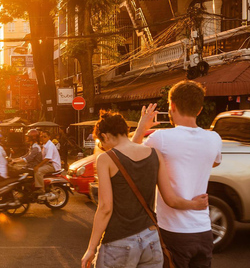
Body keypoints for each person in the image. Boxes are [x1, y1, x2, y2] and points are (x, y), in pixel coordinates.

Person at [81, 111, 209, 268]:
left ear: (105, 136)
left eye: (101, 143)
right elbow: (171, 199)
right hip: (151, 241)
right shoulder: (155, 154)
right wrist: (195, 205)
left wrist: (91, 248)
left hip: (118, 242)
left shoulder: (106, 159)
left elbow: (105, 208)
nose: (103, 147)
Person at [131, 80, 222, 268]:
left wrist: (142, 127)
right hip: (204, 231)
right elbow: (213, 162)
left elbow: (130, 157)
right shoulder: (214, 138)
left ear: (171, 106)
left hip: (173, 232)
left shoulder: (161, 138)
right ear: (199, 110)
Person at [34, 130, 61, 194]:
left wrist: (38, 166)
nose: (42, 138)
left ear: (49, 137)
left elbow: (47, 158)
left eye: (45, 137)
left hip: (52, 165)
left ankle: (41, 189)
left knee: (38, 171)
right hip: (48, 164)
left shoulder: (50, 145)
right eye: (41, 137)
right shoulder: (44, 145)